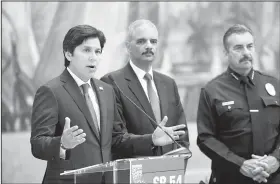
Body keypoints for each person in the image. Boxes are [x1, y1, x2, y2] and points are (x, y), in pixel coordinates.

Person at [30, 25, 186, 184]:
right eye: (86, 50)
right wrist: (62, 143)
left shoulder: (106, 91)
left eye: (97, 51)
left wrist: (151, 139)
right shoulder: (50, 91)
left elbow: (117, 140)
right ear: (68, 53)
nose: (93, 57)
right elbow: (37, 144)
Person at [196, 24, 280, 184]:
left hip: (273, 177)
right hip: (230, 178)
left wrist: (276, 159)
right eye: (238, 48)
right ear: (225, 53)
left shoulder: (275, 85)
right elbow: (205, 138)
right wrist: (239, 164)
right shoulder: (212, 90)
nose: (246, 53)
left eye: (250, 46)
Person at [101, 19, 189, 158]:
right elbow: (115, 138)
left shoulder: (169, 83)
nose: (149, 46)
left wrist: (180, 161)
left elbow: (182, 133)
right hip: (134, 173)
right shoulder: (111, 82)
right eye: (141, 41)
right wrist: (151, 140)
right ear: (128, 47)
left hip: (169, 172)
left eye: (153, 41)